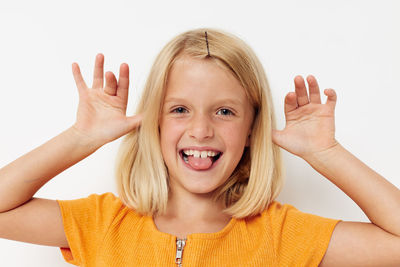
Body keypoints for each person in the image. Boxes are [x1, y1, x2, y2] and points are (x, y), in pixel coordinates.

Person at [0, 28, 399, 267]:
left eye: (225, 111)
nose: (201, 129)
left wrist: (325, 153)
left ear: (251, 129)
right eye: (179, 109)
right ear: (154, 121)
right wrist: (80, 138)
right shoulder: (102, 224)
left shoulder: (284, 235)